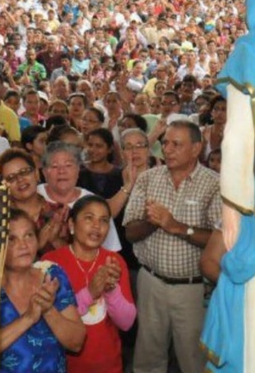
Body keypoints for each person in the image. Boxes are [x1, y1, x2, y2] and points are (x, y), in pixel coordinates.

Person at [124, 120, 221, 373]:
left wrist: (174, 225)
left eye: (176, 144)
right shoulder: (148, 179)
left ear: (196, 148)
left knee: (194, 359)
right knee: (148, 356)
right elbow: (130, 232)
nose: (167, 149)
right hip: (151, 283)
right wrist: (153, 222)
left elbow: (219, 240)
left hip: (193, 289)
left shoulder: (215, 184)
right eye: (165, 142)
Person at [0, 209, 85, 372]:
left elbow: (77, 342)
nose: (24, 245)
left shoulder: (52, 277)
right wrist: (28, 318)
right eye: (12, 239)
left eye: (29, 235)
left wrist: (49, 310)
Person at [42, 195, 136, 373]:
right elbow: (49, 321)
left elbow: (126, 323)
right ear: (71, 225)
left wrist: (111, 290)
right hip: (63, 365)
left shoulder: (114, 261)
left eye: (103, 221)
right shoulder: (51, 263)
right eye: (88, 218)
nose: (96, 226)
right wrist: (90, 293)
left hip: (107, 364)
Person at [38, 142, 121, 253]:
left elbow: (111, 250)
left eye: (68, 165)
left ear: (78, 170)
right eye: (54, 166)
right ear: (44, 172)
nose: (62, 171)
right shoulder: (33, 196)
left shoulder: (93, 202)